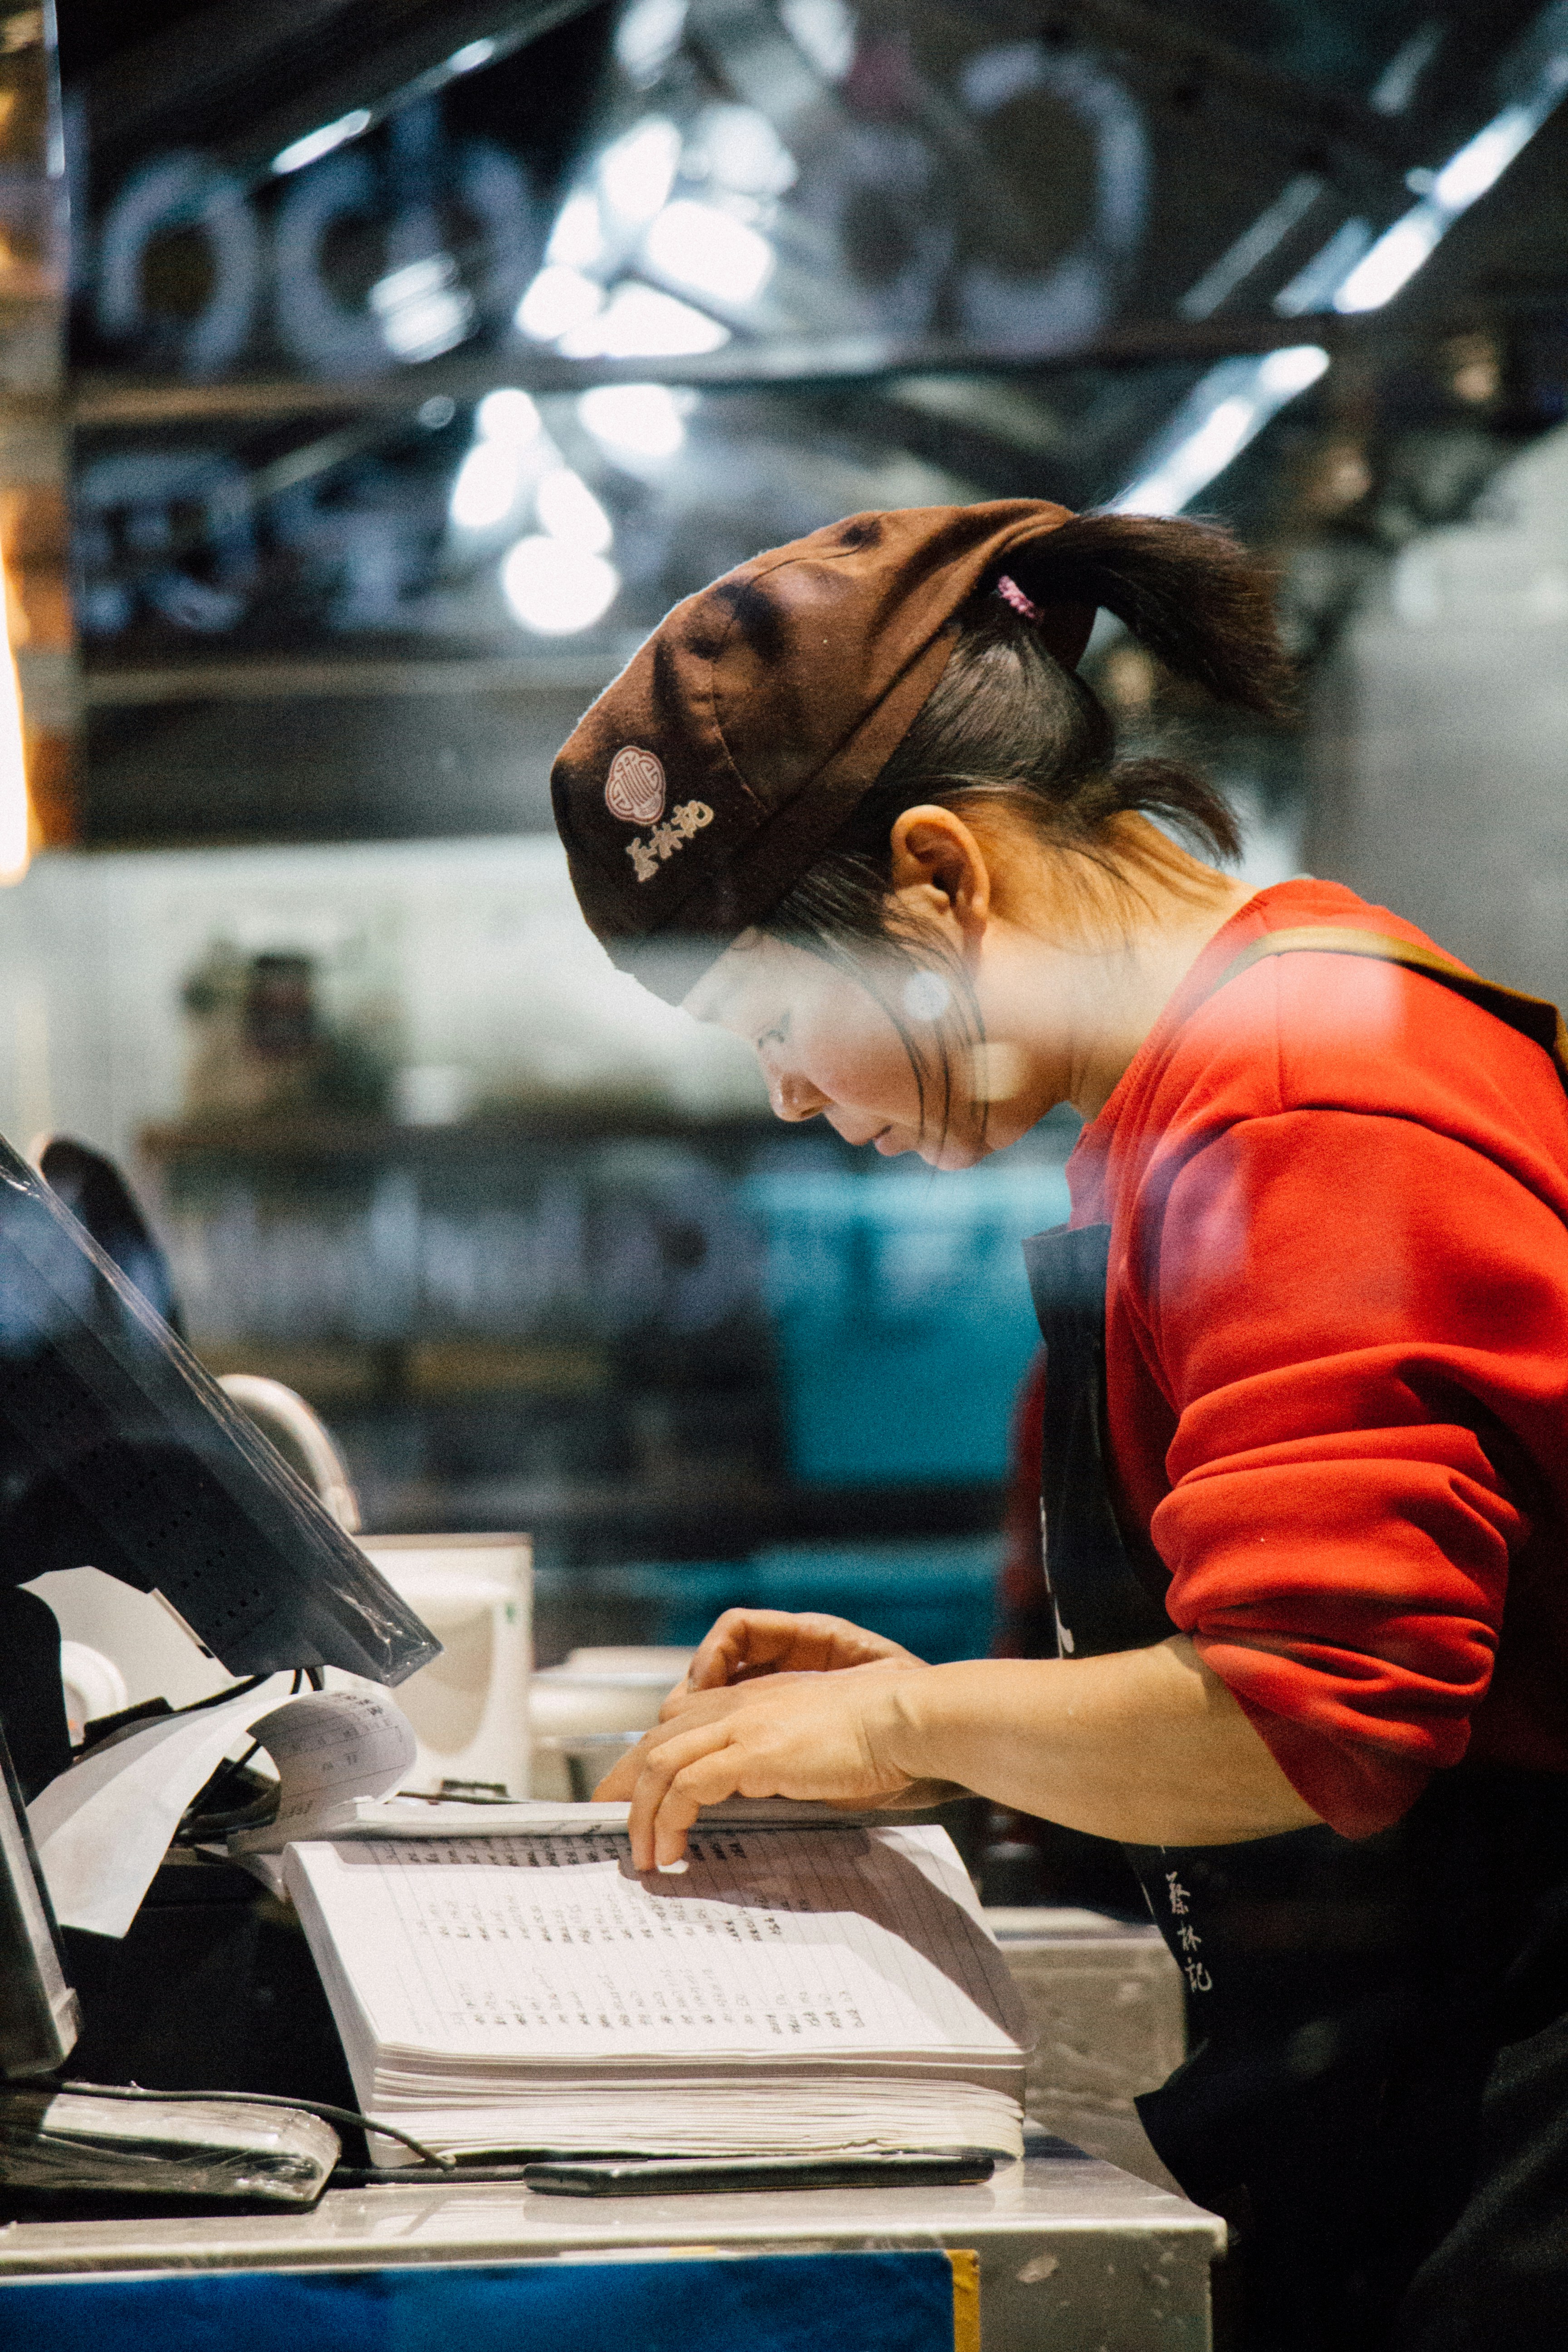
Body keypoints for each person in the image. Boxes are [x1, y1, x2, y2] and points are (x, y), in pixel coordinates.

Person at [548, 500, 1568, 2351]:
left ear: (940, 878)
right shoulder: (1199, 1089)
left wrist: (905, 1712)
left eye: (779, 1013)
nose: (788, 1096)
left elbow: (1309, 1715)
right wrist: (954, 1739)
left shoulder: (1300, 1096)